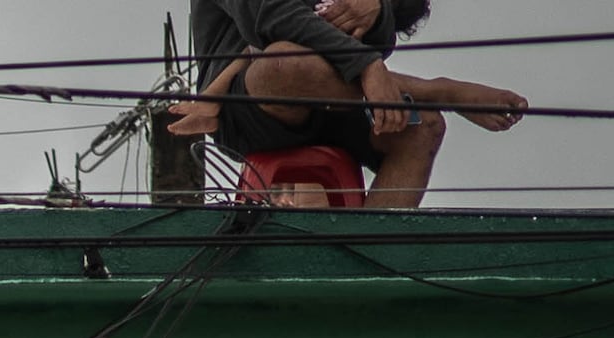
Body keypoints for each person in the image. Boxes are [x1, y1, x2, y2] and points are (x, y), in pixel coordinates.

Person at [193, 0, 527, 206]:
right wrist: (365, 63)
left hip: (334, 96)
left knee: (423, 125)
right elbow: (270, 15)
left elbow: (392, 27)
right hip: (249, 103)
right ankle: (436, 91)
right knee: (288, 61)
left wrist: (377, 7)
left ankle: (374, 254)